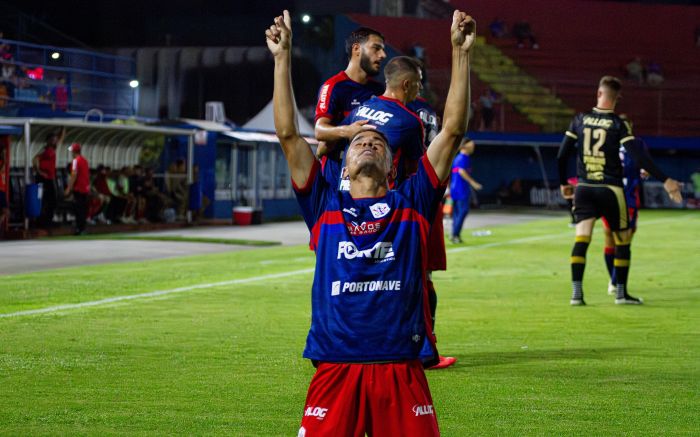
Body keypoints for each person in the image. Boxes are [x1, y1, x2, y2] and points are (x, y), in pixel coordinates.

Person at [266, 9, 475, 435]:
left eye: (377, 143)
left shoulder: (412, 203)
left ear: (391, 166)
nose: (367, 144)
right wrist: (282, 59)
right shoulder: (323, 207)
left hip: (400, 369)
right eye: (359, 141)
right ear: (342, 165)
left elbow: (452, 131)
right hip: (335, 369)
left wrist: (459, 53)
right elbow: (289, 135)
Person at [557, 76, 682, 306]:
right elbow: (639, 156)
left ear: (598, 93)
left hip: (584, 188)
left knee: (582, 238)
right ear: (617, 99)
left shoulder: (579, 120)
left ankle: (577, 294)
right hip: (611, 190)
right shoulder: (618, 124)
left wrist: (564, 182)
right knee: (622, 240)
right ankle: (621, 294)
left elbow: (561, 155)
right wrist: (665, 179)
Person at [314, 26, 387, 159]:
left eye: (382, 50)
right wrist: (347, 131)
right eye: (376, 48)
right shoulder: (333, 86)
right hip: (337, 171)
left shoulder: (379, 90)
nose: (383, 55)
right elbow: (319, 131)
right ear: (356, 49)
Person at [449, 138, 482, 243]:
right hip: (461, 189)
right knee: (463, 211)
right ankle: (455, 234)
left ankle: (455, 234)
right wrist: (473, 183)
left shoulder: (459, 158)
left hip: (456, 189)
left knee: (457, 212)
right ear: (465, 146)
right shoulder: (462, 158)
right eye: (472, 145)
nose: (473, 147)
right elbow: (461, 171)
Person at [32, 128, 64, 227]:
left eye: (55, 139)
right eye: (53, 140)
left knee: (53, 200)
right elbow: (35, 159)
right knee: (45, 200)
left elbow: (61, 138)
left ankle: (47, 220)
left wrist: (63, 127)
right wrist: (39, 171)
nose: (55, 141)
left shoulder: (52, 149)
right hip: (43, 178)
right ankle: (42, 221)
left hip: (50, 178)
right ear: (48, 141)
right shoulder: (45, 149)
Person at [64, 143, 90, 235]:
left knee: (78, 209)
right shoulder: (85, 161)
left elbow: (74, 174)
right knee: (83, 208)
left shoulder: (76, 161)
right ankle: (82, 228)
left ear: (75, 151)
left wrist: (68, 188)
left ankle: (79, 229)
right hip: (85, 188)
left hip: (78, 188)